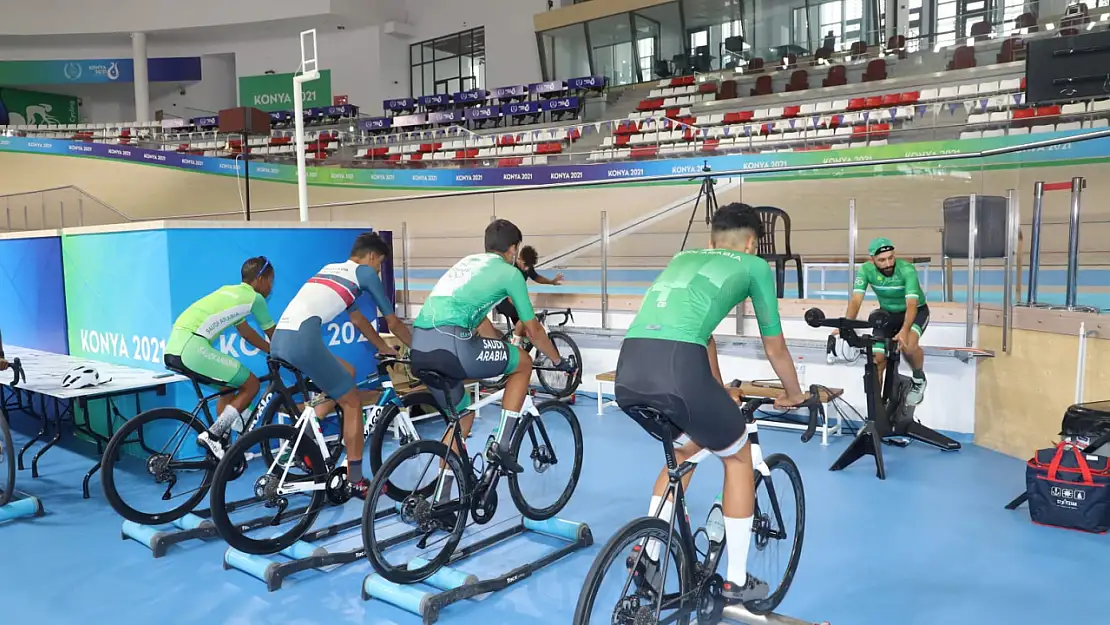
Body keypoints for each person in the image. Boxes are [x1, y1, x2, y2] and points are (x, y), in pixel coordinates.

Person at [614, 202, 806, 604]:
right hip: (679, 371)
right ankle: (736, 579)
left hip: (629, 369)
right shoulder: (753, 267)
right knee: (736, 457)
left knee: (685, 448)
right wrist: (794, 393)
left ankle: (648, 552)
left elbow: (705, 336)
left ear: (710, 240)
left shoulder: (684, 257)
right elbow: (775, 346)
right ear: (753, 243)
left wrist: (716, 388)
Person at [410, 220, 575, 500]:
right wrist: (558, 361)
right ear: (513, 249)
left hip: (421, 346)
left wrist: (498, 344)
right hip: (454, 345)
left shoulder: (467, 263)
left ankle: (441, 500)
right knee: (522, 362)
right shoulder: (509, 273)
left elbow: (480, 317)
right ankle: (503, 444)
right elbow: (532, 329)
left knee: (462, 418)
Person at [270, 232, 412, 498]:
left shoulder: (331, 270)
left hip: (280, 340)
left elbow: (357, 320)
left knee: (346, 373)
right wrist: (417, 349)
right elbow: (392, 322)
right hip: (303, 341)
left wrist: (383, 348)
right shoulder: (364, 274)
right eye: (380, 264)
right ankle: (356, 480)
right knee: (352, 402)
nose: (379, 271)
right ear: (371, 256)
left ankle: (306, 433)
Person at [164, 257, 277, 458]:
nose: (271, 287)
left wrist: (270, 350)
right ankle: (214, 435)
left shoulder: (231, 292)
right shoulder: (255, 299)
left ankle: (223, 448)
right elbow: (272, 333)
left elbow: (246, 333)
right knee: (251, 385)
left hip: (175, 346)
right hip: (193, 347)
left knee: (228, 387)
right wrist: (284, 351)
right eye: (270, 281)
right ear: (260, 279)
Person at [835, 237, 928, 406]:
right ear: (872, 260)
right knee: (877, 359)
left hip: (915, 311)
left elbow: (912, 304)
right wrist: (845, 326)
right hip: (887, 315)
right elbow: (856, 301)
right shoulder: (865, 270)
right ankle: (877, 409)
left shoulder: (907, 269)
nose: (888, 264)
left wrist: (904, 330)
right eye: (882, 260)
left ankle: (918, 378)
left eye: (891, 258)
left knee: (909, 345)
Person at [494, 244, 565, 337]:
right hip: (503, 301)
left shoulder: (527, 267)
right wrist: (524, 308)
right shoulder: (512, 269)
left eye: (529, 267)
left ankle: (518, 342)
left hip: (514, 299)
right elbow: (510, 296)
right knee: (524, 319)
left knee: (526, 331)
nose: (527, 269)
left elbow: (537, 278)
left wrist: (551, 281)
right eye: (525, 265)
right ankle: (515, 342)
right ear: (519, 259)